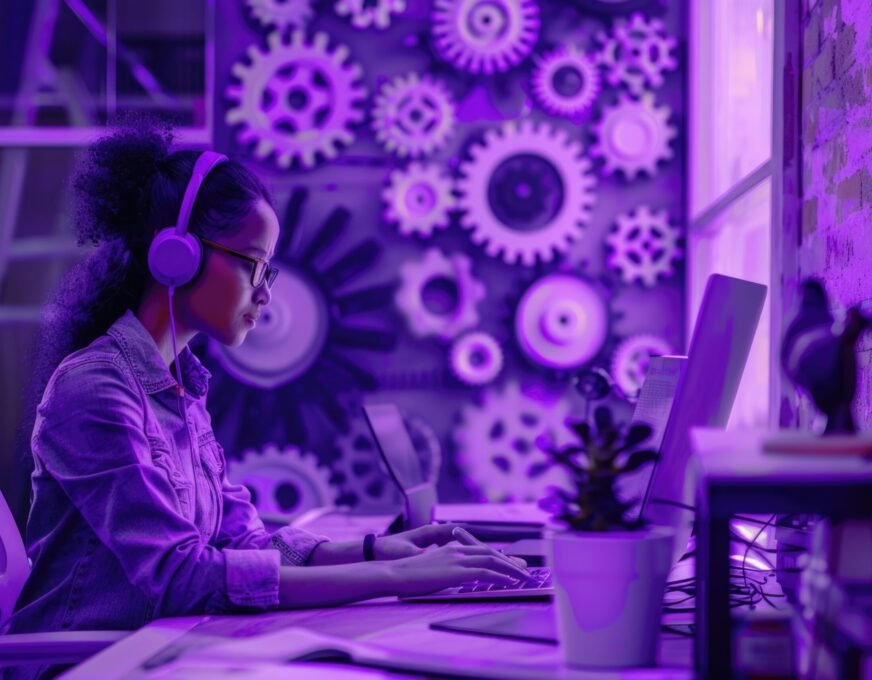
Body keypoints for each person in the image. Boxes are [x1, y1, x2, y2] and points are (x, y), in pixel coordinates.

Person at [2, 119, 526, 678]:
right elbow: (180, 577)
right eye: (253, 263)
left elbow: (243, 541)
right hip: (86, 667)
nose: (266, 291)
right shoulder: (95, 390)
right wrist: (398, 580)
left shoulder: (180, 389)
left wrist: (380, 551)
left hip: (158, 652)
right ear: (176, 256)